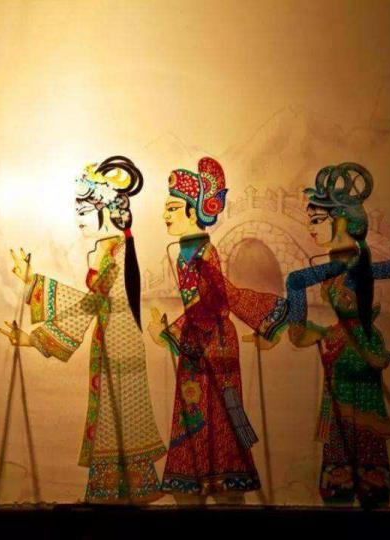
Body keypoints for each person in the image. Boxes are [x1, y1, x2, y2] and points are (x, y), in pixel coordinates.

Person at [285, 162, 390, 508]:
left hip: (356, 352)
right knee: (355, 428)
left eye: (316, 220)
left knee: (350, 429)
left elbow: (296, 280)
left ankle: (351, 483)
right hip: (350, 352)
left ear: (340, 221)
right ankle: (362, 482)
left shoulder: (349, 264)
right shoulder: (349, 262)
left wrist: (298, 328)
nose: (309, 228)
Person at [0, 156, 166, 503]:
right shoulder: (113, 250)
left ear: (108, 211)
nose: (78, 220)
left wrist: (34, 291)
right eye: (78, 211)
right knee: (120, 419)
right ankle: (130, 490)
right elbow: (94, 303)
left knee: (116, 419)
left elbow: (90, 304)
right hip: (117, 342)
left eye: (85, 211)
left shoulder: (113, 254)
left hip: (119, 348)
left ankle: (112, 493)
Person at [147, 157, 288, 504]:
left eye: (172, 208)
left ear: (193, 211)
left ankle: (216, 479)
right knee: (198, 410)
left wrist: (169, 333)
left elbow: (214, 300)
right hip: (201, 338)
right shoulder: (188, 250)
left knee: (215, 413)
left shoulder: (200, 251)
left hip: (212, 340)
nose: (165, 215)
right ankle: (198, 477)